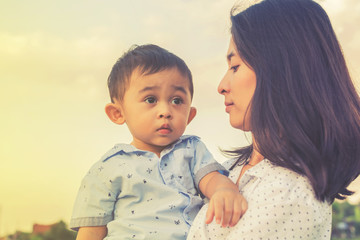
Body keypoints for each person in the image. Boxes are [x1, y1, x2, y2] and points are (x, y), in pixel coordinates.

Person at [187, 0, 360, 239]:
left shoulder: (291, 194)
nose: (221, 86)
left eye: (235, 66)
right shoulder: (229, 170)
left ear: (280, 69)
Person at [70, 44, 247, 240]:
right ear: (118, 113)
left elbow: (211, 178)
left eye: (177, 101)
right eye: (150, 99)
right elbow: (92, 231)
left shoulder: (191, 150)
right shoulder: (107, 168)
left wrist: (224, 191)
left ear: (190, 115)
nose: (165, 111)